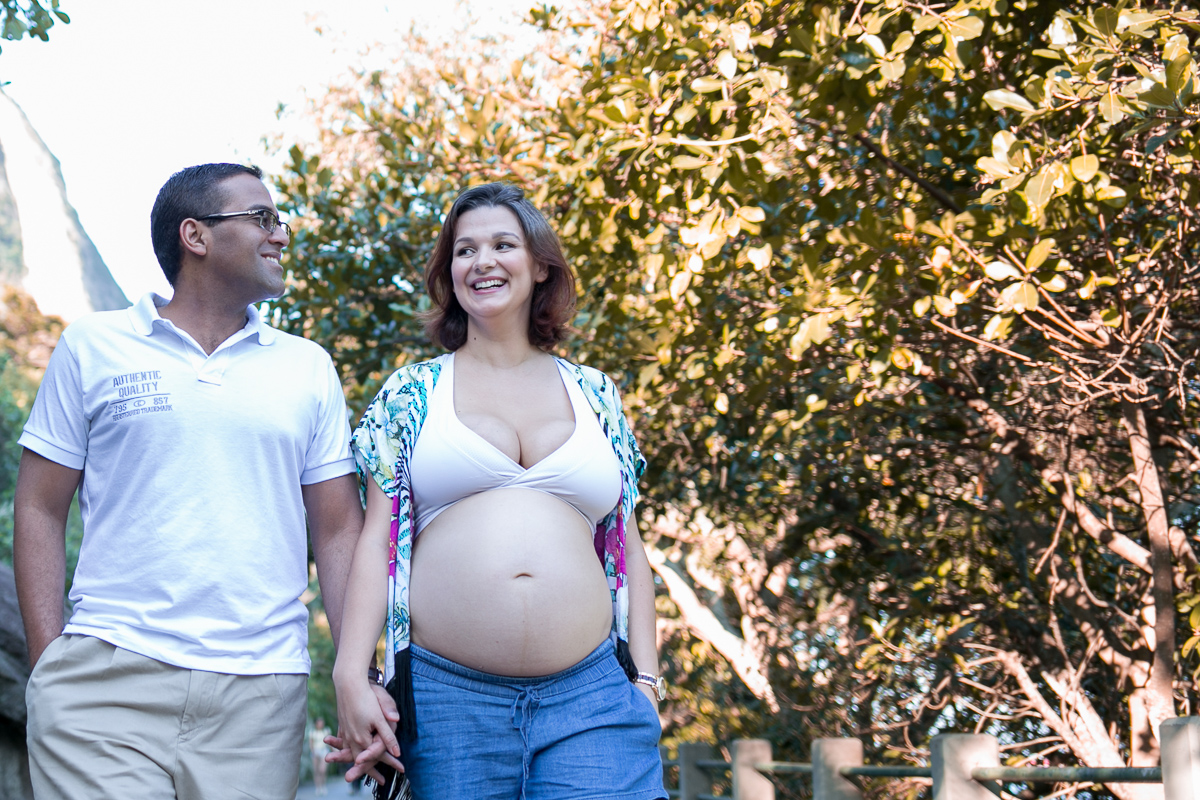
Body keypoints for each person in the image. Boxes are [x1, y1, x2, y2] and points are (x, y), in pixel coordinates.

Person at [13, 163, 374, 800]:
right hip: (103, 681)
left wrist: (356, 675)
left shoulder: (307, 368)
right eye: (261, 218)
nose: (280, 235)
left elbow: (340, 528)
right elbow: (40, 508)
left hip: (260, 697)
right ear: (196, 236)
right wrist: (49, 667)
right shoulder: (92, 347)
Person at [330, 183, 667, 799]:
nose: (482, 261)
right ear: (449, 272)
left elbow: (629, 547)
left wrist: (644, 683)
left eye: (502, 244)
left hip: (592, 697)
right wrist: (352, 673)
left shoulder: (596, 394)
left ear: (540, 265)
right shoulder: (412, 392)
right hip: (447, 703)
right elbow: (377, 540)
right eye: (465, 250)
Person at [309, 718, 332, 796]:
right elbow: (311, 743)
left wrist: (333, 750)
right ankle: (318, 787)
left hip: (324, 751)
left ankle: (323, 785)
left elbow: (329, 742)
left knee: (323, 770)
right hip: (316, 751)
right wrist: (313, 752)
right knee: (316, 770)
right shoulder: (312, 732)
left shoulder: (326, 731)